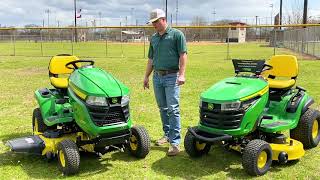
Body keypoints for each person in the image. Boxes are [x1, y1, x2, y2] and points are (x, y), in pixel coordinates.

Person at [143, 8, 187, 156]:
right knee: (162, 108)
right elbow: (151, 59)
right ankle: (167, 134)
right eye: (152, 23)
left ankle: (175, 143)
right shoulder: (153, 38)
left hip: (172, 76)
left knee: (173, 109)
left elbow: (183, 55)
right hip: (157, 77)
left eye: (155, 22)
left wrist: (182, 75)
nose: (153, 25)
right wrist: (146, 76)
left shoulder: (177, 35)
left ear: (163, 19)